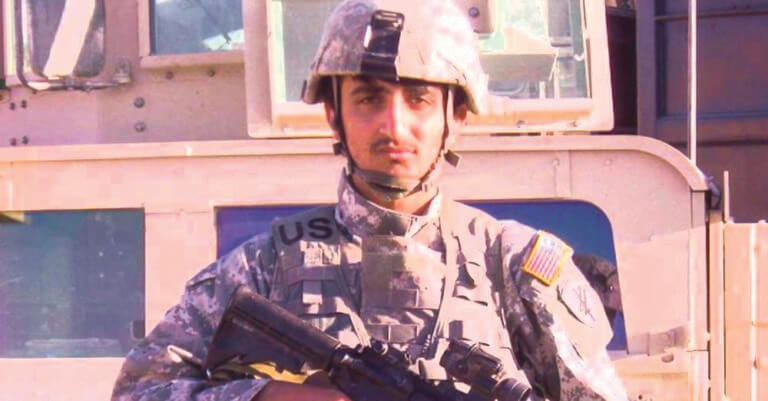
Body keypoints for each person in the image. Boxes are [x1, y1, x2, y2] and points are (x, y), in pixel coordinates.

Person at [111, 0, 628, 400]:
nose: (393, 126)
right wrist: (266, 396)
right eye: (368, 99)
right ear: (333, 114)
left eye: (419, 100)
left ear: (455, 117)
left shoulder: (515, 268)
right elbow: (140, 392)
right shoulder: (259, 269)